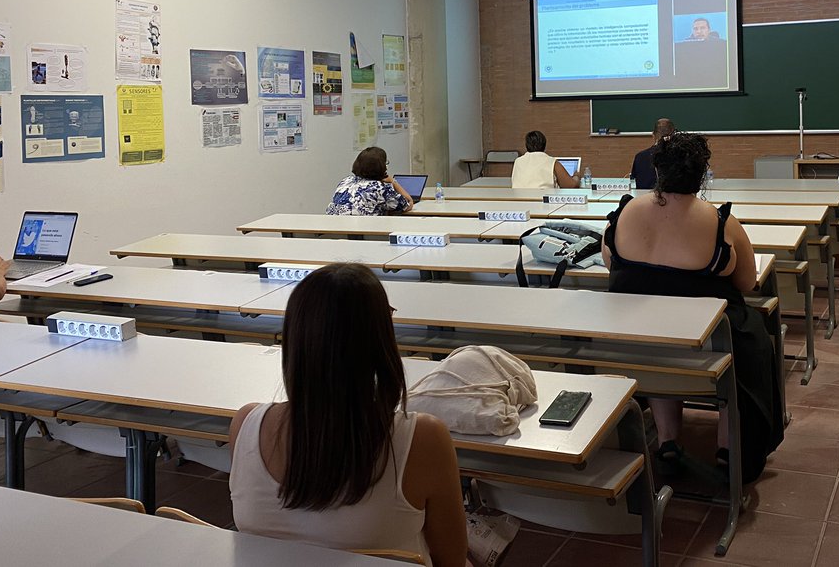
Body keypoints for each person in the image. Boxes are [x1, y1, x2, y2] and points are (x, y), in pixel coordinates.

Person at [229, 264, 467, 566]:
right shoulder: (422, 438)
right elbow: (452, 561)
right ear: (379, 341)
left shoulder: (246, 424)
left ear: (295, 339)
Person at [603, 132, 783, 482]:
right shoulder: (720, 222)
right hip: (709, 348)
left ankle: (668, 440)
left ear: (656, 169)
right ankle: (729, 448)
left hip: (640, 344)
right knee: (753, 341)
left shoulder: (624, 214)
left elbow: (611, 264)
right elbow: (747, 283)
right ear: (702, 175)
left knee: (661, 328)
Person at [327, 147, 414, 216]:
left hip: (334, 229)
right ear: (382, 166)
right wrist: (392, 181)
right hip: (360, 232)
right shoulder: (379, 187)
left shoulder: (346, 180)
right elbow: (408, 203)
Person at [510, 130, 580, 189]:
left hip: (519, 203)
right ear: (544, 145)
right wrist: (576, 176)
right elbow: (571, 185)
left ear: (526, 145)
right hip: (544, 203)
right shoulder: (552, 162)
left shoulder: (518, 161)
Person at [629, 117, 675, 189]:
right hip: (674, 199)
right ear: (673, 136)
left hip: (643, 198)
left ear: (653, 135)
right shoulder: (680, 157)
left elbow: (634, 181)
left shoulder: (640, 157)